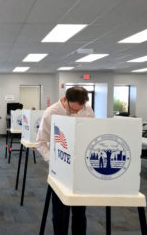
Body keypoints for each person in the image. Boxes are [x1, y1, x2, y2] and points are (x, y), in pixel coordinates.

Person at [36, 87, 94, 235]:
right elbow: (41, 142)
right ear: (66, 100)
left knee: (80, 212)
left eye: (79, 110)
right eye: (73, 110)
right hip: (60, 168)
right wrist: (53, 161)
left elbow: (91, 134)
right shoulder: (51, 113)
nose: (76, 112)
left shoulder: (87, 109)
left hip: (80, 167)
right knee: (60, 212)